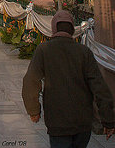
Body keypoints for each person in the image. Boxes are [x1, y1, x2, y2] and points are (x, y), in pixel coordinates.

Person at [22, 10, 114, 148]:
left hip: (57, 122)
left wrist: (34, 111)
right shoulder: (84, 52)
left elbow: (30, 81)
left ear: (54, 28)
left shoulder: (44, 50)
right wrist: (108, 120)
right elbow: (99, 87)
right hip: (82, 122)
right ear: (72, 29)